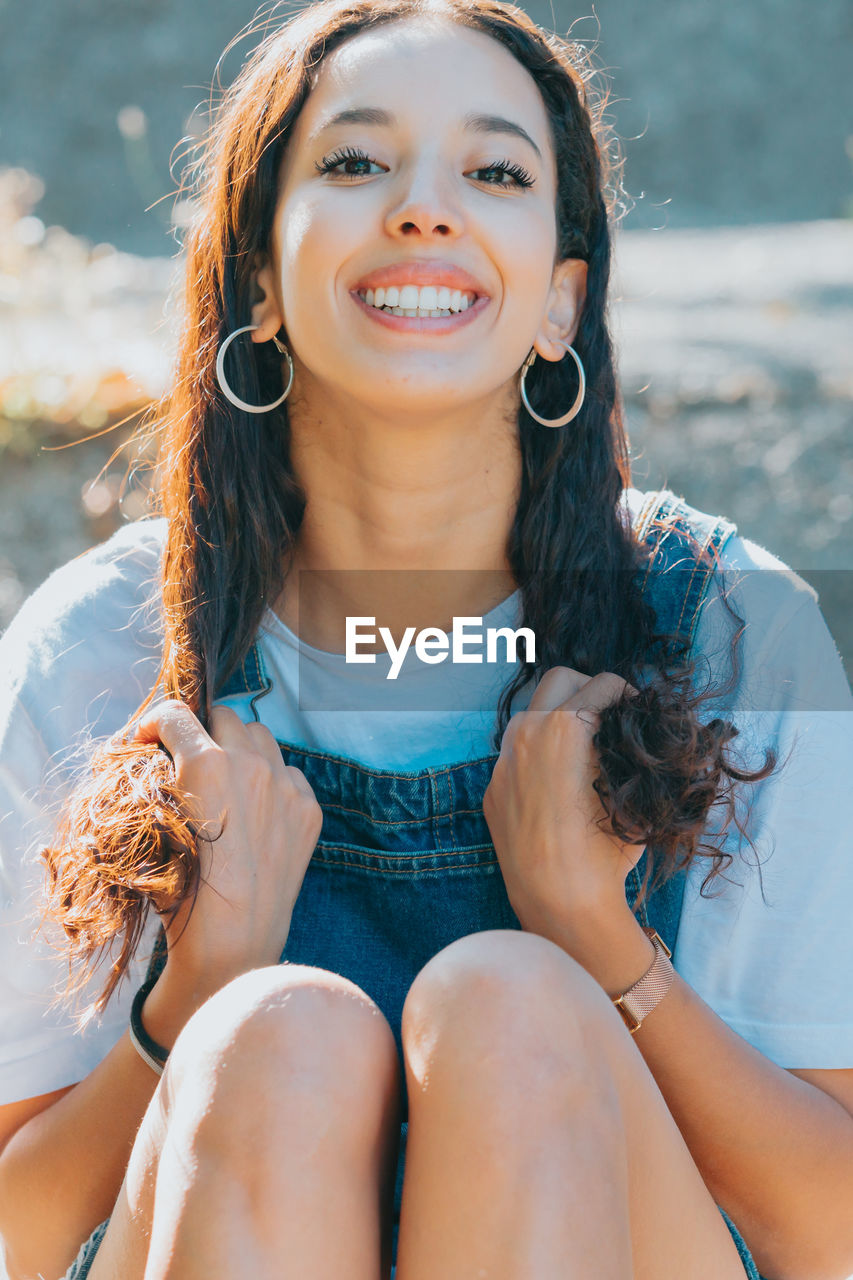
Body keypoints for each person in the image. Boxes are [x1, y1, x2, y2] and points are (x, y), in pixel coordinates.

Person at [0, 2, 851, 1278]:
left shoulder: (731, 631)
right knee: (271, 1034)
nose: (423, 208)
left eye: (495, 171)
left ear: (562, 299)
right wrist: (198, 992)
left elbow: (831, 1227)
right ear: (259, 281)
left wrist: (602, 946)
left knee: (513, 1005)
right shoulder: (97, 651)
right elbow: (18, 1227)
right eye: (354, 163)